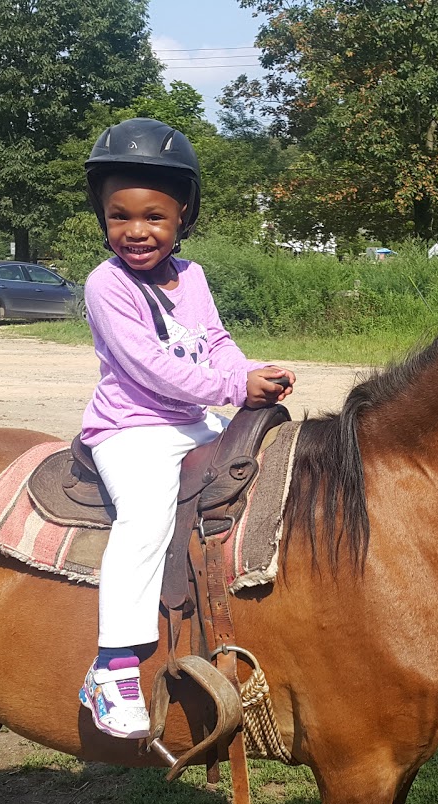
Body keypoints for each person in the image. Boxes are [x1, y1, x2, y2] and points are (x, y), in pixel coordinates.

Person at [77, 118, 295, 739]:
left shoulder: (192, 277)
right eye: (120, 217)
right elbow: (150, 368)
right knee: (146, 519)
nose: (136, 231)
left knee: (256, 488)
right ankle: (113, 663)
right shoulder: (106, 285)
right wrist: (234, 389)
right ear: (104, 218)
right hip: (132, 429)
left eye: (153, 217)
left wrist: (252, 372)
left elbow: (215, 343)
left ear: (182, 218)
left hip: (193, 421)